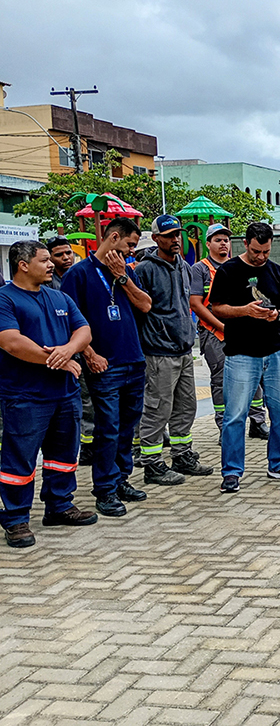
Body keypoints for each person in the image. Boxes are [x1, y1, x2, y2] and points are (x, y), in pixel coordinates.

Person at [0, 241, 94, 548]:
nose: (51, 264)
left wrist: (69, 349)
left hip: (64, 394)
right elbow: (11, 342)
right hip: (25, 395)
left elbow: (84, 331)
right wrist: (58, 360)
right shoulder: (5, 299)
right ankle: (15, 519)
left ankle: (59, 505)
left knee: (63, 456)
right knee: (19, 459)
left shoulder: (59, 296)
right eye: (44, 260)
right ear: (23, 265)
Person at [61, 217, 153, 517]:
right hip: (104, 365)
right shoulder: (79, 274)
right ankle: (104, 489)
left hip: (133, 360)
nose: (130, 252)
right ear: (113, 237)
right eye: (129, 245)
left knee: (128, 427)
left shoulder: (125, 271)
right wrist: (89, 354)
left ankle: (121, 478)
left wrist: (123, 277)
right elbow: (71, 322)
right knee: (108, 428)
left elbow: (145, 305)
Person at [208, 221, 280, 492]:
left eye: (266, 252)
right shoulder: (228, 271)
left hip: (275, 350)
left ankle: (279, 463)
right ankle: (232, 472)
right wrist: (245, 311)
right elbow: (217, 308)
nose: (261, 257)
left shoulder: (276, 271)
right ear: (246, 244)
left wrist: (278, 315)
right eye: (256, 251)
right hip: (241, 353)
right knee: (235, 415)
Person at [133, 215, 213, 486]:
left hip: (183, 350)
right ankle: (152, 464)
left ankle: (181, 455)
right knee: (157, 408)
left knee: (186, 406)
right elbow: (140, 309)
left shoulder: (182, 265)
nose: (175, 239)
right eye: (169, 235)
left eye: (177, 234)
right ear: (156, 239)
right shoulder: (145, 269)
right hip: (158, 352)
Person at [189, 223, 269, 440]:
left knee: (255, 375)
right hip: (214, 332)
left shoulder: (238, 267)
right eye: (218, 240)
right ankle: (225, 427)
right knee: (221, 379)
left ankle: (257, 421)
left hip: (244, 331)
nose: (223, 243)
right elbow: (196, 304)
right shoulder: (200, 269)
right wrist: (221, 326)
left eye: (225, 240)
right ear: (208, 244)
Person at [48, 235, 96, 465]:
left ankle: (89, 445)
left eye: (69, 253)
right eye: (59, 254)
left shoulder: (79, 276)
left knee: (87, 402)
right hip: (55, 355)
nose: (66, 258)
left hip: (80, 350)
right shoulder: (46, 284)